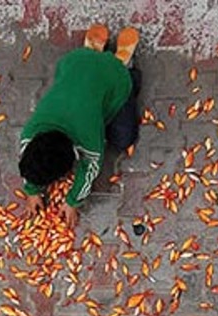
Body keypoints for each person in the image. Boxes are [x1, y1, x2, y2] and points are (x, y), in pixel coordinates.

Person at [19, 24, 142, 229]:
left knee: (123, 138)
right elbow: (26, 159)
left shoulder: (89, 143)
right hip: (73, 61)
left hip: (113, 78)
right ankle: (92, 52)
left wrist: (72, 202)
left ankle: (123, 63)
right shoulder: (29, 133)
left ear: (76, 153)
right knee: (82, 79)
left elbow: (89, 170)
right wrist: (31, 191)